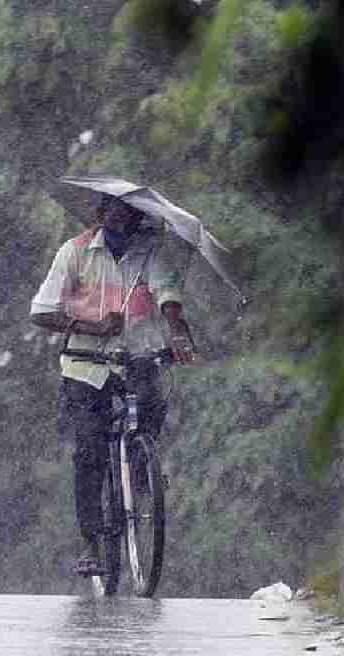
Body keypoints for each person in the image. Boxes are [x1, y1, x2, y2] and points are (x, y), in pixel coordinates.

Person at [29, 195, 198, 575]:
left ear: (140, 220)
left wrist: (176, 331)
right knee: (89, 453)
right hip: (85, 365)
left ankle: (142, 475)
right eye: (115, 211)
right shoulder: (74, 253)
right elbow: (41, 311)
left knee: (152, 413)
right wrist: (91, 327)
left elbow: (167, 293)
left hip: (136, 358)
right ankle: (91, 543)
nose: (123, 219)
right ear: (100, 214)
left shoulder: (149, 255)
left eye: (131, 213)